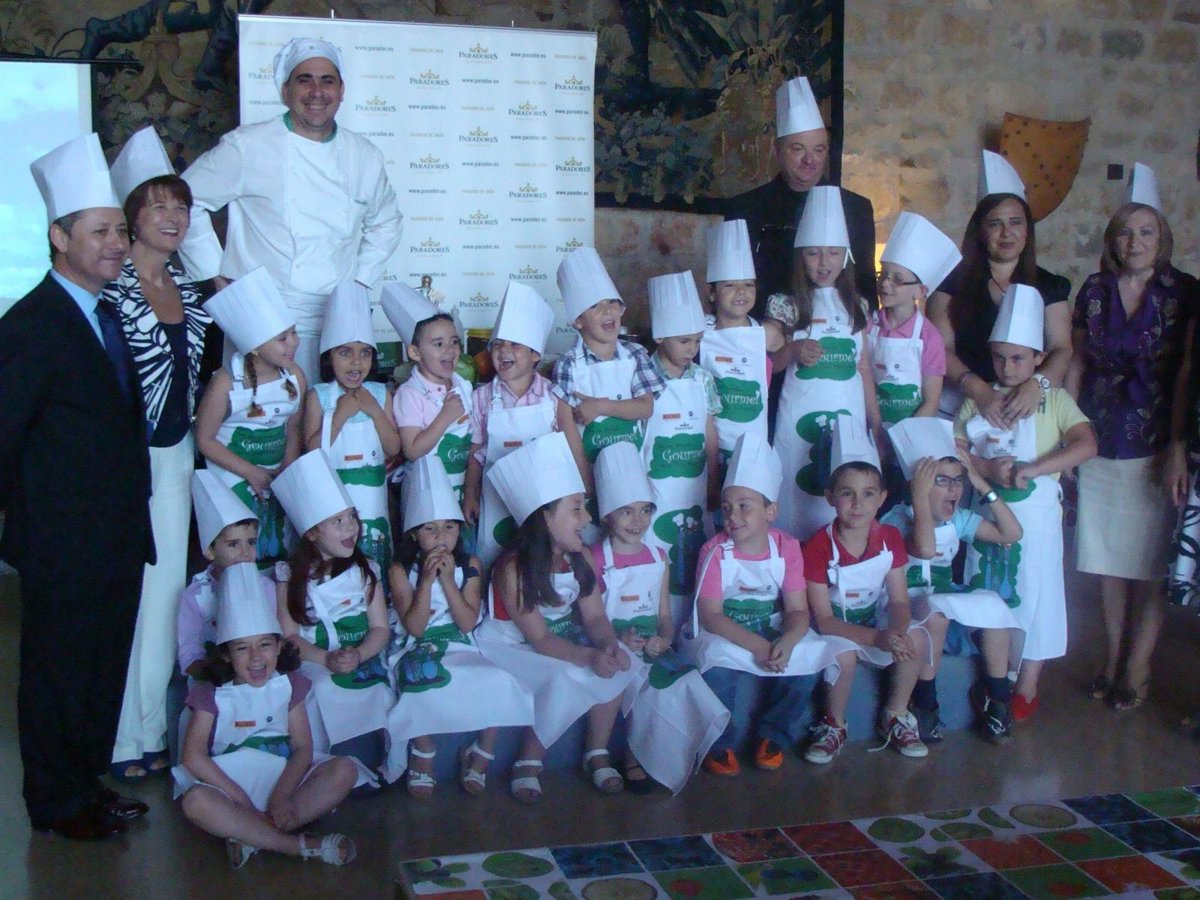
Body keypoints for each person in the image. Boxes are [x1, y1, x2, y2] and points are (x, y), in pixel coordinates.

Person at [1, 133, 152, 839]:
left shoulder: (105, 311)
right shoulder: (31, 325)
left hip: (117, 534)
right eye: (100, 232)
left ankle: (87, 784)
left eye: (120, 230)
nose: (117, 243)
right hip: (63, 541)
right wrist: (32, 527)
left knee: (100, 669)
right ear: (59, 238)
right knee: (57, 674)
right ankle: (56, 802)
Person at [178, 37, 403, 381]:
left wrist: (358, 286)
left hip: (336, 317)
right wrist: (215, 276)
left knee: (326, 408)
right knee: (261, 409)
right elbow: (185, 200)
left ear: (342, 91)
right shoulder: (248, 145)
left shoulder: (365, 155)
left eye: (327, 81)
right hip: (263, 316)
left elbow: (387, 222)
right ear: (285, 91)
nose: (317, 92)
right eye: (304, 80)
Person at [105, 126, 213, 782]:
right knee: (124, 594)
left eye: (181, 207)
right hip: (120, 461)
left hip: (175, 457)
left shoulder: (192, 292)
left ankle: (147, 732)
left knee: (166, 593)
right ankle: (119, 737)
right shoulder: (108, 292)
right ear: (131, 217)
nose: (173, 217)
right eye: (158, 206)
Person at [1068, 169, 1198, 710]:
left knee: (1149, 562)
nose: (1135, 242)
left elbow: (1188, 373)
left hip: (1156, 440)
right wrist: (1066, 431)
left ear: (1162, 238)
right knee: (1107, 561)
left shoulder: (1184, 293)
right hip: (1099, 437)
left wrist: (1178, 446)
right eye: (1125, 232)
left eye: (1146, 232)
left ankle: (1138, 666)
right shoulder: (1094, 290)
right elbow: (1077, 362)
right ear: (1112, 239)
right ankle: (1111, 657)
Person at [957, 285, 1097, 720]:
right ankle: (995, 674)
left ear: (1038, 359)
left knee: (1039, 593)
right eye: (1000, 358)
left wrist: (1034, 468)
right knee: (992, 590)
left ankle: (1029, 680)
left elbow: (1086, 444)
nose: (1008, 367)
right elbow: (955, 452)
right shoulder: (978, 402)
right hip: (988, 513)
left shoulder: (1054, 401)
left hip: (1037, 516)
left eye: (1019, 358)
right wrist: (985, 466)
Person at [475, 433, 639, 802]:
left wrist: (608, 646)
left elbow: (594, 617)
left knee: (619, 666)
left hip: (557, 637)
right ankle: (529, 760)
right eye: (576, 509)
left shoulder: (580, 557)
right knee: (563, 676)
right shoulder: (512, 569)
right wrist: (589, 656)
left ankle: (597, 752)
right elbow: (540, 639)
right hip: (511, 644)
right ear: (545, 518)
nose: (588, 518)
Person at [683, 433, 854, 776]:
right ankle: (718, 742)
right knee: (716, 669)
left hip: (770, 624)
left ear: (771, 511)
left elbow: (797, 610)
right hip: (726, 630)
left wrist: (787, 641)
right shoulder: (713, 551)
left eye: (744, 506)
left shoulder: (786, 548)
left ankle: (773, 734)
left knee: (806, 662)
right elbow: (711, 616)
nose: (733, 515)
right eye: (727, 507)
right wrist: (759, 647)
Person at [173, 563, 360, 869]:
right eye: (242, 648)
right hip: (230, 788)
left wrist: (281, 797)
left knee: (345, 770)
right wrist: (241, 801)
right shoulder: (210, 694)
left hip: (284, 780)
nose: (256, 657)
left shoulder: (290, 684)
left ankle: (251, 834)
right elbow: (193, 757)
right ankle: (296, 845)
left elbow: (302, 747)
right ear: (226, 655)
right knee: (195, 802)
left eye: (265, 645)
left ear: (279, 645)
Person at [383, 455, 533, 796]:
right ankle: (423, 748)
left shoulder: (471, 565)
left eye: (449, 527)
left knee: (498, 678)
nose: (441, 536)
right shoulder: (399, 570)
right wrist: (426, 581)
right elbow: (415, 627)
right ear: (413, 534)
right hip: (417, 645)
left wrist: (449, 581)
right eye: (429, 528)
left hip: (459, 642)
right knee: (416, 678)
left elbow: (466, 622)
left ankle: (483, 748)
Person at [590, 442, 729, 794]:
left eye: (645, 510)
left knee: (684, 681)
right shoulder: (594, 559)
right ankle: (631, 754)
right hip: (610, 645)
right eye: (626, 512)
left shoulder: (658, 556)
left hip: (651, 647)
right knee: (641, 683)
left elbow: (664, 615)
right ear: (606, 516)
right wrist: (617, 640)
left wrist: (663, 639)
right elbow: (587, 618)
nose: (637, 522)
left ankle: (667, 754)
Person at [802, 419, 944, 762]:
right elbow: (824, 620)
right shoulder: (818, 546)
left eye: (868, 494)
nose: (857, 504)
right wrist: (877, 638)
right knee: (843, 657)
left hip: (874, 624)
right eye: (847, 493)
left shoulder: (890, 538)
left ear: (882, 498)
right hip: (835, 631)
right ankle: (834, 725)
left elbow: (898, 599)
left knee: (917, 637)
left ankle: (895, 714)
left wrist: (897, 632)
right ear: (830, 498)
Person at [881, 418, 1023, 745]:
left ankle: (998, 699)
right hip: (907, 608)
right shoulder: (897, 519)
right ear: (918, 485)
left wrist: (980, 483)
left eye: (958, 481)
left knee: (992, 605)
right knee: (936, 613)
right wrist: (918, 498)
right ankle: (925, 702)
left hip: (944, 600)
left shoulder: (958, 519)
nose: (954, 490)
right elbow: (925, 549)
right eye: (941, 481)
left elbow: (1011, 533)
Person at [928, 151, 1072, 422]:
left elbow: (1061, 348)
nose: (1007, 233)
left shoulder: (1050, 286)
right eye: (995, 224)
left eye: (1015, 222)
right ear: (980, 231)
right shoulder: (950, 284)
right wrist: (980, 391)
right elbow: (940, 349)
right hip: (960, 406)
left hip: (1028, 408)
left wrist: (1037, 385)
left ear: (1027, 229)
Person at [768, 187, 879, 540]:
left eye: (833, 253)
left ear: (846, 256)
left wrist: (875, 424)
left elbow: (863, 367)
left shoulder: (858, 305)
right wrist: (793, 349)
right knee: (797, 494)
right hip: (797, 417)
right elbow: (772, 365)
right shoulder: (785, 304)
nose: (823, 263)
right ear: (801, 256)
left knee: (843, 493)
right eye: (814, 253)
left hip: (848, 415)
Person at [274, 450, 393, 778]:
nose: (350, 528)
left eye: (351, 517)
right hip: (313, 659)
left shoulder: (367, 569)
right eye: (337, 522)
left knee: (383, 689)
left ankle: (384, 765)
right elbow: (290, 636)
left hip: (361, 655)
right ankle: (317, 769)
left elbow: (380, 628)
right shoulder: (288, 575)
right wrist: (325, 659)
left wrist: (359, 654)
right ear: (312, 532)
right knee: (319, 690)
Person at [463, 280, 587, 568]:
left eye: (514, 344)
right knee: (496, 559)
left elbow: (572, 447)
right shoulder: (482, 397)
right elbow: (476, 452)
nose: (503, 350)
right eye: (497, 344)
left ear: (535, 355)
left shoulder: (554, 396)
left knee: (541, 559)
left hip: (546, 499)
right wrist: (470, 494)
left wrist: (581, 497)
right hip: (495, 497)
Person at [724, 75, 876, 310]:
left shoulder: (856, 208)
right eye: (798, 149)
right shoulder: (744, 209)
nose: (809, 160)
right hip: (764, 325)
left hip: (837, 327)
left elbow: (865, 284)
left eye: (818, 150)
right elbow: (730, 288)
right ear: (778, 151)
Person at [194, 267, 306, 567]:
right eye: (282, 338)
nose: (294, 342)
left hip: (273, 475)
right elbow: (204, 439)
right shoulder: (225, 383)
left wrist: (287, 470)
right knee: (241, 543)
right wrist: (250, 472)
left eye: (294, 333)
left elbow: (294, 427)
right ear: (255, 347)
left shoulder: (295, 376)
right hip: (232, 476)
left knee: (274, 544)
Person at [303, 280, 400, 573]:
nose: (356, 362)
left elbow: (393, 447)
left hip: (374, 500)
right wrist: (340, 414)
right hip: (333, 503)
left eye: (365, 352)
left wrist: (373, 410)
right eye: (345, 353)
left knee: (374, 555)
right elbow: (311, 453)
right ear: (329, 357)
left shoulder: (380, 394)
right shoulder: (319, 396)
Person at [643, 272, 722, 608]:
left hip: (695, 483)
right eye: (684, 341)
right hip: (654, 486)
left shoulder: (703, 379)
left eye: (697, 341)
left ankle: (693, 620)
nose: (692, 349)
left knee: (693, 549)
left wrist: (714, 481)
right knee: (656, 549)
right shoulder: (642, 375)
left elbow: (710, 432)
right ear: (660, 337)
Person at [552, 247, 665, 463]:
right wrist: (584, 477)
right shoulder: (568, 364)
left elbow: (645, 407)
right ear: (578, 321)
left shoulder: (636, 354)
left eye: (612, 302)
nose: (607, 310)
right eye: (595, 306)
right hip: (589, 464)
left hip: (634, 465)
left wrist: (600, 406)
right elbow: (567, 427)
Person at [700, 220, 784, 465]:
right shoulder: (699, 330)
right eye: (730, 285)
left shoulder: (768, 333)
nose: (741, 291)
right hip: (707, 440)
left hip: (753, 439)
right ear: (712, 293)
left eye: (748, 284)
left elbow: (782, 366)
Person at [869, 212, 960, 429]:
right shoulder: (868, 326)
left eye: (897, 279)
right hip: (871, 427)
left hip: (912, 432)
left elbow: (931, 401)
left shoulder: (930, 338)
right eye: (883, 274)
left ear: (920, 291)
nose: (885, 283)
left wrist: (903, 437)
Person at [384, 283, 474, 502]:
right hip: (428, 493)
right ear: (415, 352)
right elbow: (412, 451)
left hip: (462, 484)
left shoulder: (463, 385)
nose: (450, 350)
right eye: (438, 344)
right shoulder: (410, 394)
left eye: (454, 342)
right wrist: (446, 416)